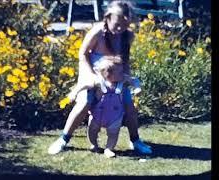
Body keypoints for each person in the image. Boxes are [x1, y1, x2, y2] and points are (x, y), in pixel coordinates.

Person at [48, 0, 152, 155]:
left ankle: (135, 140)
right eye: (117, 25)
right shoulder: (98, 31)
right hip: (92, 72)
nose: (120, 29)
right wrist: (90, 76)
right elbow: (82, 54)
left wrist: (127, 79)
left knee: (129, 105)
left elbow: (125, 59)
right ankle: (64, 139)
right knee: (85, 102)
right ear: (108, 18)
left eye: (124, 26)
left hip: (114, 76)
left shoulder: (128, 36)